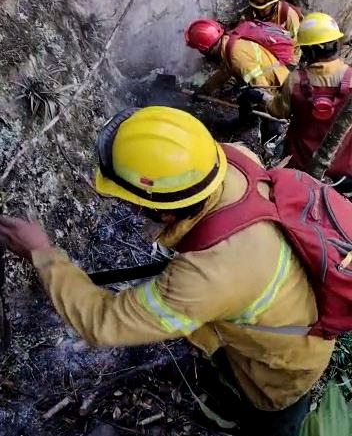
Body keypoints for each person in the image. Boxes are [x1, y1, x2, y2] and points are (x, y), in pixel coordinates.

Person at [0, 106, 334, 436]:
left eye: (129, 201)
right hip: (281, 303)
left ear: (167, 214)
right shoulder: (232, 158)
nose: (126, 207)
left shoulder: (206, 277)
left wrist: (41, 254)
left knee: (269, 417)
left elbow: (102, 323)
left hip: (284, 369)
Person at [267, 12, 352, 194]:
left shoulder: (295, 80)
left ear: (309, 51)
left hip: (300, 166)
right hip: (344, 175)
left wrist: (262, 99)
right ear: (336, 44)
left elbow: (277, 111)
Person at [184, 18, 290, 96]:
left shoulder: (237, 57)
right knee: (246, 96)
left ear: (204, 48)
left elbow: (261, 88)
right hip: (270, 81)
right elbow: (224, 73)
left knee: (250, 97)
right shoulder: (228, 45)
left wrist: (270, 107)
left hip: (281, 88)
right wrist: (203, 91)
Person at [249, 0, 302, 64]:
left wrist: (289, 63)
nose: (259, 10)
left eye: (263, 7)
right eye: (256, 2)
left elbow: (295, 44)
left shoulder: (288, 16)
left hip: (286, 53)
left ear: (274, 3)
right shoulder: (254, 10)